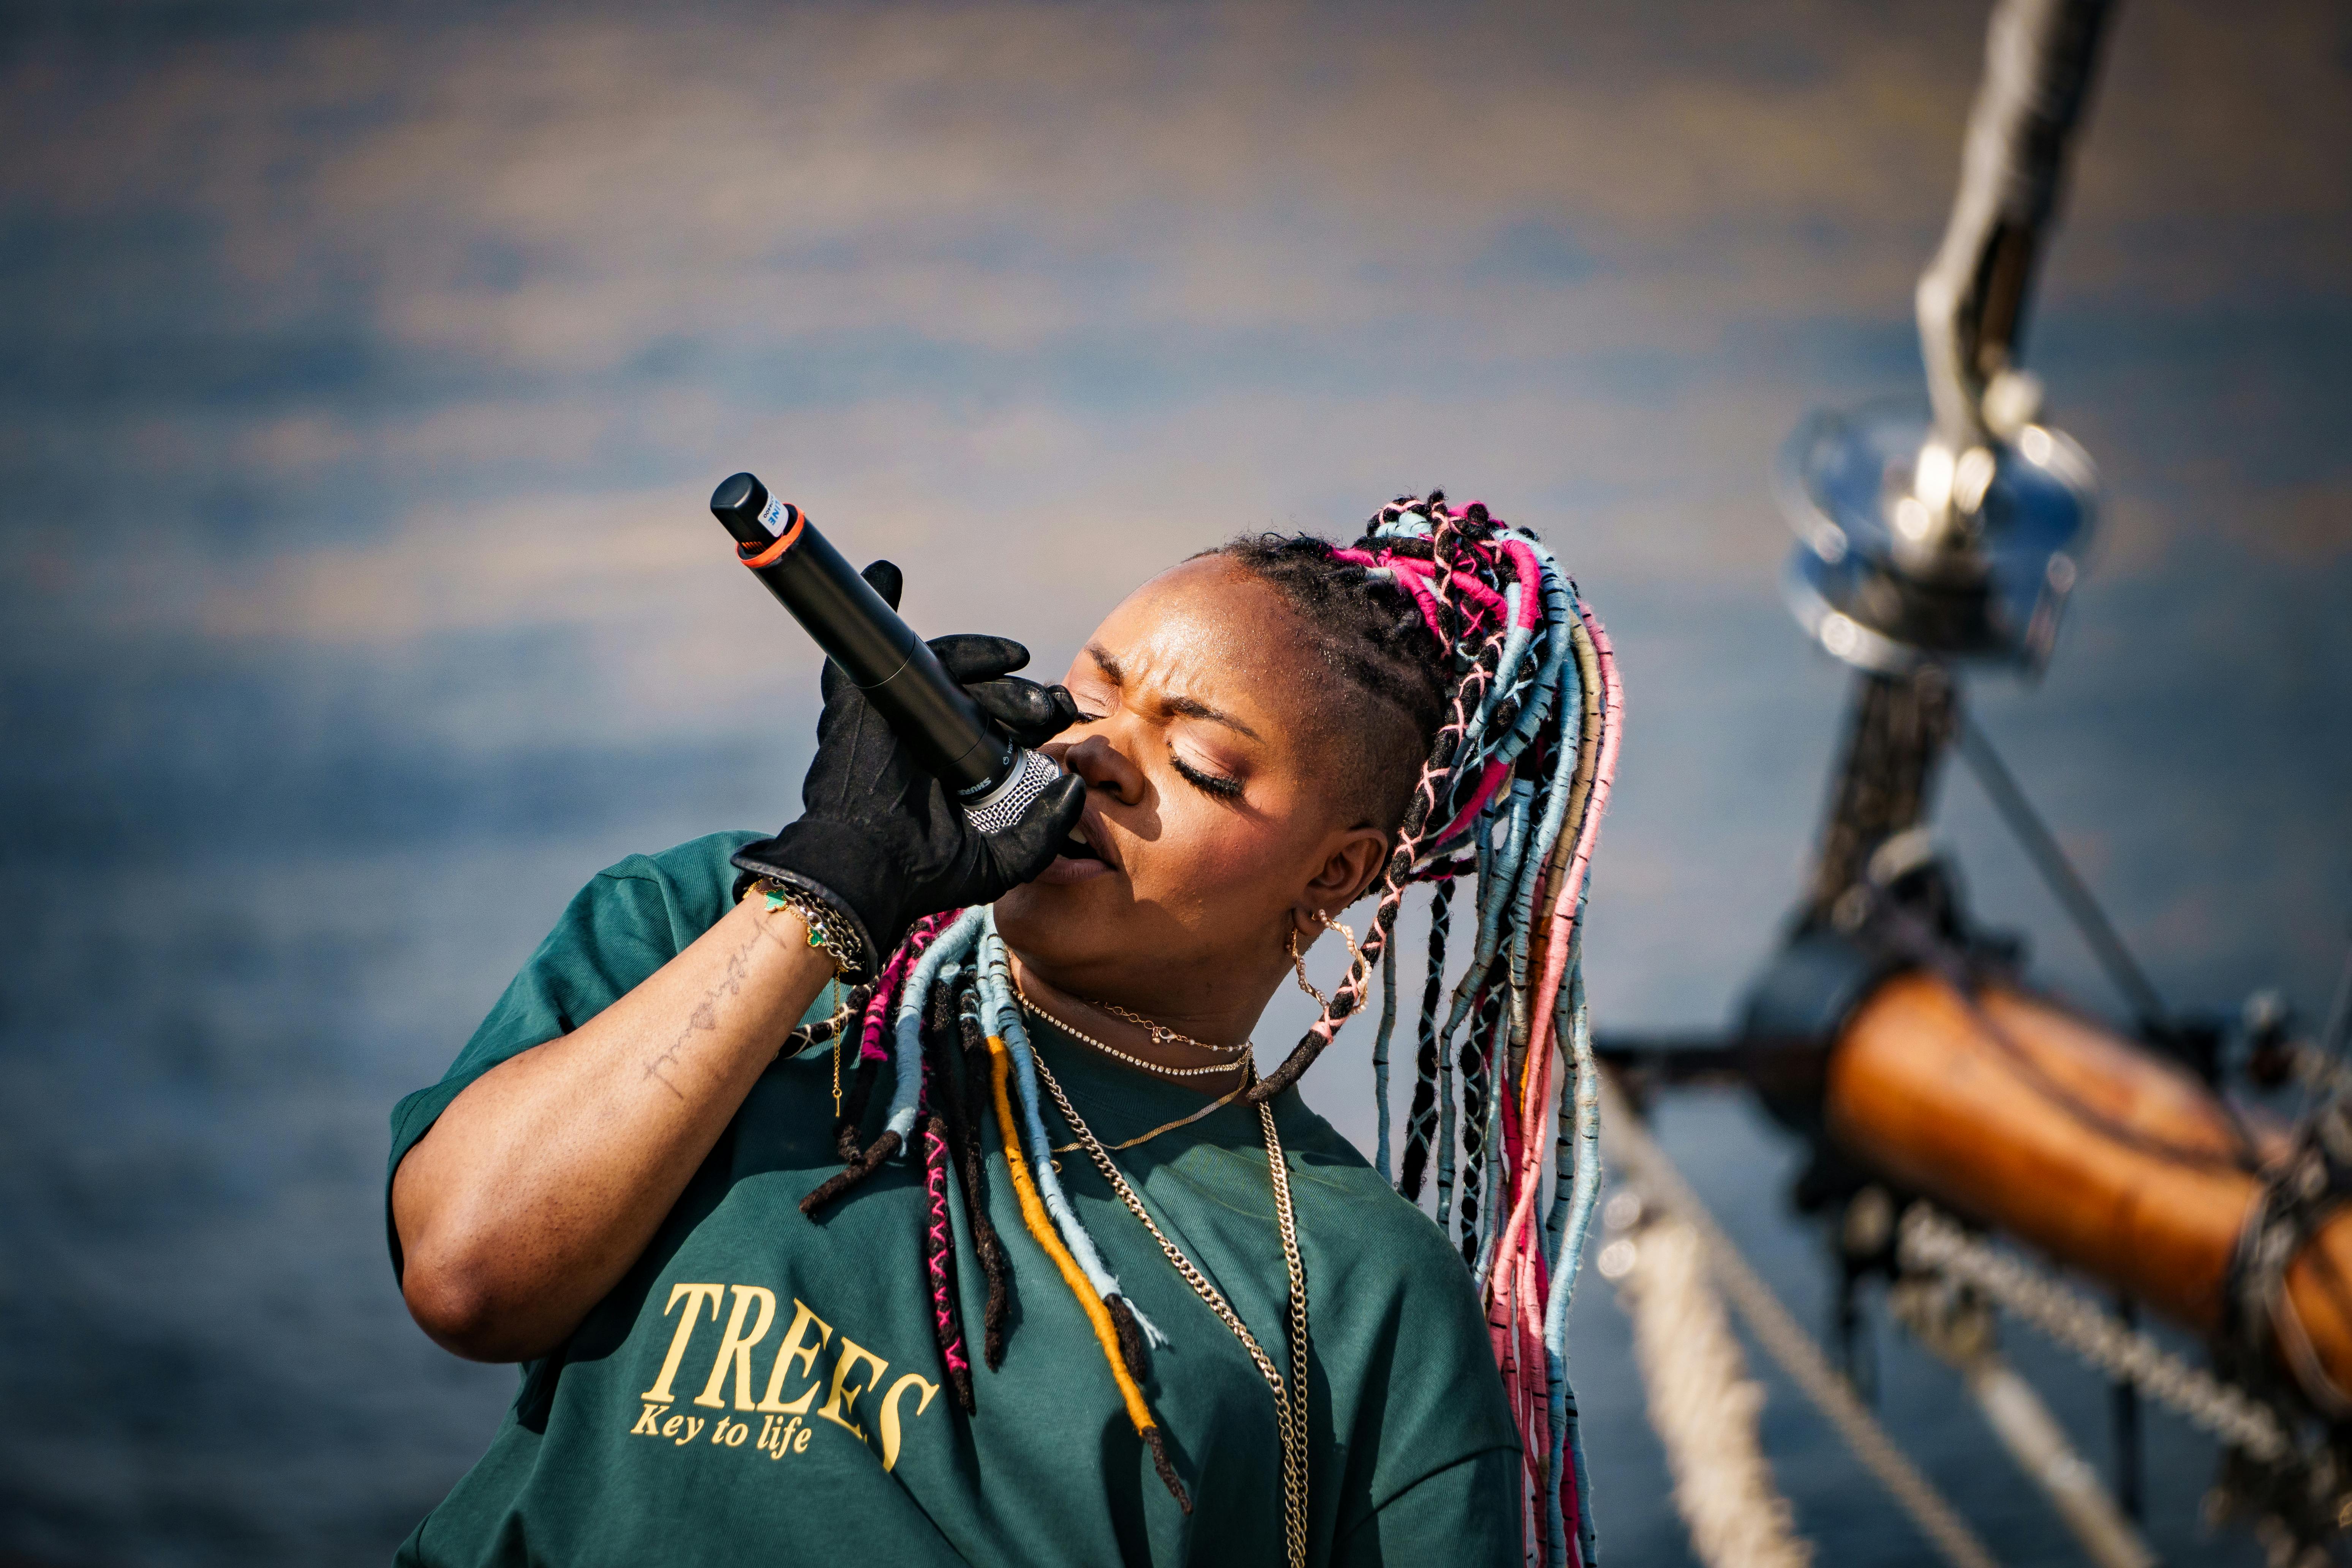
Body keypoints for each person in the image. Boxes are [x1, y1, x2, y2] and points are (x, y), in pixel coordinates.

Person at [387, 493, 1619, 1567]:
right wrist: (824, 897)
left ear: (1339, 873)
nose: (1093, 753)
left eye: (1194, 762)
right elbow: (467, 1275)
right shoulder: (712, 922)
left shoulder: (1359, 1287)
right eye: (1094, 692)